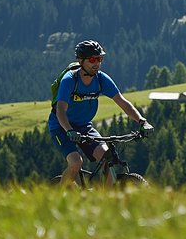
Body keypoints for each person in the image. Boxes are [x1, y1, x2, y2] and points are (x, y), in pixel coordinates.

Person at [50, 39, 151, 186]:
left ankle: (107, 199)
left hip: (84, 127)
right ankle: (57, 197)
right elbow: (60, 111)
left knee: (107, 158)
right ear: (81, 61)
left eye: (100, 59)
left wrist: (142, 121)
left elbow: (123, 103)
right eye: (92, 59)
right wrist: (69, 130)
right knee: (76, 163)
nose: (96, 63)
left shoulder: (101, 79)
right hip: (61, 127)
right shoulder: (70, 80)